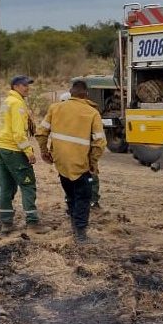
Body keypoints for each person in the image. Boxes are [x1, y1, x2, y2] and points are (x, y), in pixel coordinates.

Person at [36, 80, 106, 243]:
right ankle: (80, 234)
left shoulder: (55, 108)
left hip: (61, 164)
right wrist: (93, 163)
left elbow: (41, 133)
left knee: (71, 195)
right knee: (83, 197)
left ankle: (75, 227)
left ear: (71, 92)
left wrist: (44, 152)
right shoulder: (92, 113)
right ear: (85, 94)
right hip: (81, 165)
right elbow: (100, 143)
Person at [0, 75, 49, 235]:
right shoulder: (17, 104)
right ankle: (32, 222)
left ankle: (6, 222)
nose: (27, 88)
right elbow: (18, 133)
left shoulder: (7, 102)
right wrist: (28, 151)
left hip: (2, 147)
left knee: (6, 185)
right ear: (16, 86)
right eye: (25, 85)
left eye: (28, 85)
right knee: (27, 184)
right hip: (14, 150)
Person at [57, 91, 102, 209]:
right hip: (79, 156)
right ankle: (83, 202)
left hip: (79, 154)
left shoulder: (80, 115)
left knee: (87, 179)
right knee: (85, 179)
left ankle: (89, 201)